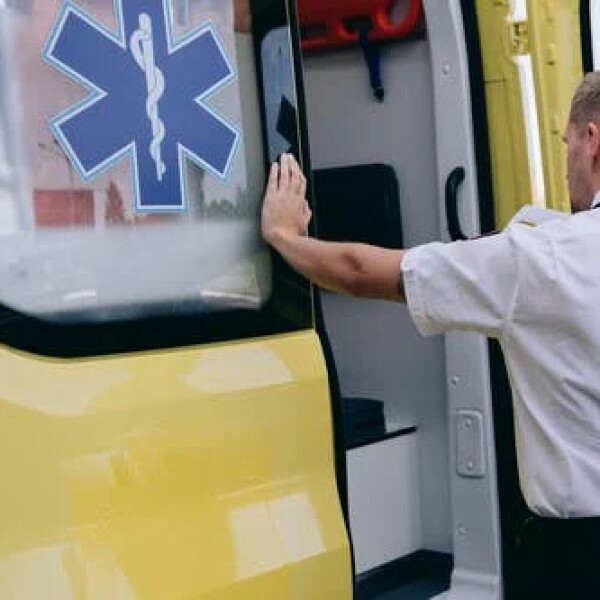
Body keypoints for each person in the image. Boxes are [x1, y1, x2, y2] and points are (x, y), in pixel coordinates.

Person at [261, 72, 600, 598]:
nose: (567, 163)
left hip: (580, 556)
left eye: (567, 144)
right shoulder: (546, 249)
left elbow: (360, 271)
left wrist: (285, 236)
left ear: (592, 140)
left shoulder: (543, 258)